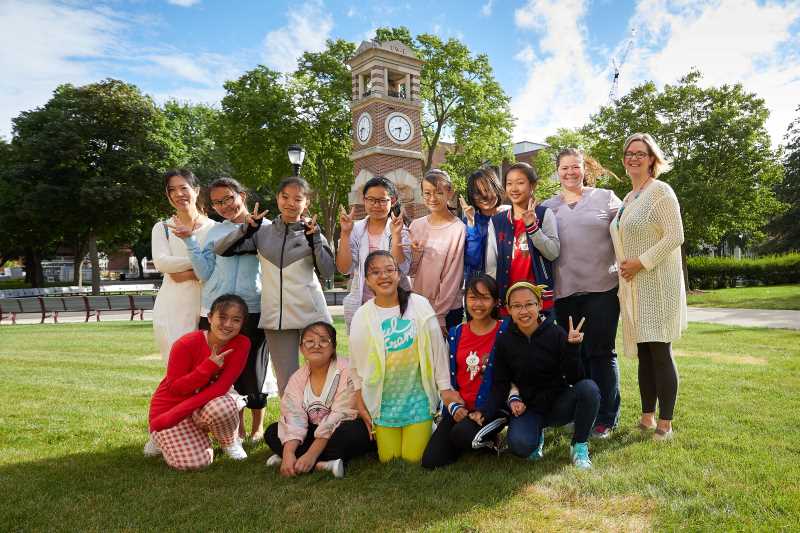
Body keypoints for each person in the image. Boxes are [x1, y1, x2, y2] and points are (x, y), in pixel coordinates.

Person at [214, 176, 335, 396]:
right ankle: (293, 428)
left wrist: (316, 240)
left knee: (322, 374)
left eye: (297, 198)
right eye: (285, 197)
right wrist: (246, 229)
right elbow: (221, 249)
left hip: (311, 313)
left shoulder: (312, 232)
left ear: (306, 202)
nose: (290, 203)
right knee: (287, 382)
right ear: (277, 198)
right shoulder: (262, 232)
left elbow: (328, 272)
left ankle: (322, 425)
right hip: (276, 318)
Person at [169, 177, 268, 442]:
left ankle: (258, 423)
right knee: (216, 368)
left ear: (242, 195)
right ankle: (233, 424)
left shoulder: (266, 228)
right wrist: (190, 241)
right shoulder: (215, 231)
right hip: (217, 309)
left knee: (253, 368)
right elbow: (204, 272)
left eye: (228, 199)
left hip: (252, 308)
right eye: (216, 203)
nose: (224, 206)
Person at [348, 250, 463, 464]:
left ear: (398, 275)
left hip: (417, 400)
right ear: (367, 281)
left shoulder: (418, 305)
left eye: (389, 270)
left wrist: (445, 388)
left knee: (412, 459)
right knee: (388, 459)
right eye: (376, 272)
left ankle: (430, 423)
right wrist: (359, 397)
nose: (383, 276)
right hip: (383, 403)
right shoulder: (362, 315)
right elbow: (355, 362)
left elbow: (438, 349)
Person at [471, 282, 600, 469]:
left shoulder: (555, 333)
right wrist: (486, 411)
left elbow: (576, 379)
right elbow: (500, 383)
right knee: (521, 447)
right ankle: (535, 434)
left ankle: (579, 446)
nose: (524, 311)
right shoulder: (505, 342)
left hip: (557, 404)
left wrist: (572, 348)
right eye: (517, 306)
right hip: (528, 408)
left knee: (589, 389)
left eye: (529, 304)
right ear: (509, 310)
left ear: (539, 305)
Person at [542, 149, 623, 439]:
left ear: (584, 168)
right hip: (565, 294)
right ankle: (585, 410)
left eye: (575, 167)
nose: (570, 173)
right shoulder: (547, 207)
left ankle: (607, 417)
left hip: (602, 289)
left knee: (601, 353)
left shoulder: (606, 197)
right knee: (577, 356)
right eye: (564, 168)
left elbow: (629, 227)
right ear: (557, 171)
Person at [610, 133, 686, 441]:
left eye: (640, 153)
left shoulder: (661, 192)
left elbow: (675, 235)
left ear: (652, 159)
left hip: (658, 284)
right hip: (634, 288)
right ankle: (646, 417)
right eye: (629, 153)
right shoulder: (628, 198)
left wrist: (641, 261)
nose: (633, 158)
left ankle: (665, 424)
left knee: (660, 350)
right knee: (644, 351)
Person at [144, 294, 251, 470]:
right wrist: (208, 366)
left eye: (236, 320)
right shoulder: (186, 344)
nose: (228, 324)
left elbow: (221, 387)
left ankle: (230, 443)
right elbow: (176, 388)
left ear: (242, 324)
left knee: (224, 405)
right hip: (170, 406)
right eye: (222, 317)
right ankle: (159, 438)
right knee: (195, 463)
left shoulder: (242, 344)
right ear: (209, 318)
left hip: (197, 407)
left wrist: (176, 415)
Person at [421, 274, 510, 469]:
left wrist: (488, 410)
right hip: (460, 409)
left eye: (485, 297)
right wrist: (453, 408)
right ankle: (467, 438)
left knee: (462, 435)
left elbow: (512, 377)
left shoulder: (506, 331)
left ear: (496, 302)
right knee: (431, 461)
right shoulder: (455, 333)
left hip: (491, 409)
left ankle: (490, 441)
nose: (478, 304)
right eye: (472, 297)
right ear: (465, 300)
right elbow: (444, 378)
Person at [264, 321, 374, 479]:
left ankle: (308, 459)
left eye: (323, 340)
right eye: (309, 341)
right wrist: (289, 452)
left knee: (351, 434)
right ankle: (320, 463)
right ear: (301, 348)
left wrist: (312, 454)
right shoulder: (297, 378)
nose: (316, 345)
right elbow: (293, 415)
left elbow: (341, 414)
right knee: (272, 432)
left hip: (343, 425)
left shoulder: (348, 370)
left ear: (333, 347)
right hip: (315, 431)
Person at [151, 169, 215, 363]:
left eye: (183, 188)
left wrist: (185, 272)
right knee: (178, 367)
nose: (179, 194)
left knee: (207, 368)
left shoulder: (215, 228)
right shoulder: (163, 227)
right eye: (172, 190)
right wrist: (201, 264)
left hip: (208, 308)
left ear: (196, 190)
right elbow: (162, 262)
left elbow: (218, 268)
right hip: (173, 308)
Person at [337, 176, 411, 333]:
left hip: (395, 305)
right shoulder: (355, 229)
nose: (376, 205)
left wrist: (396, 235)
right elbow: (344, 269)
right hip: (363, 305)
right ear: (364, 200)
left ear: (393, 200)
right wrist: (345, 234)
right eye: (371, 199)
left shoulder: (401, 230)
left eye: (383, 200)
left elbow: (402, 268)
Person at [486, 162, 560, 316]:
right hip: (508, 299)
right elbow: (491, 265)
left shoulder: (544, 214)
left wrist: (532, 227)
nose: (514, 188)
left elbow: (553, 252)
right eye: (509, 183)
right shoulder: (497, 221)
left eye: (520, 183)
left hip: (539, 300)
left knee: (541, 339)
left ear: (532, 186)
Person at [409, 169, 466, 333]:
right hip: (417, 306)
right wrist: (415, 254)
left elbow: (453, 277)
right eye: (427, 193)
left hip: (447, 312)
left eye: (439, 192)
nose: (432, 198)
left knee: (444, 358)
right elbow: (409, 270)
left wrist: (439, 315)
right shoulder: (416, 225)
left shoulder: (459, 229)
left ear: (450, 193)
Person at [458, 167, 509, 283]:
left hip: (510, 285)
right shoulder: (467, 223)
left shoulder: (510, 216)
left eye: (487, 190)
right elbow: (472, 260)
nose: (484, 196)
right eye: (477, 193)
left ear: (496, 188)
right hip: (480, 287)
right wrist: (471, 224)